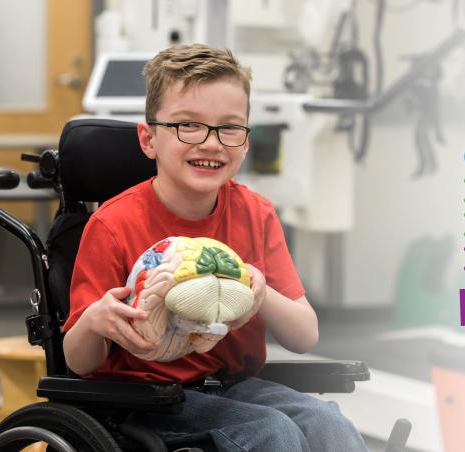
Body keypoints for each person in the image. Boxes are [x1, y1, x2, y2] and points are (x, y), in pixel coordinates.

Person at [61, 44, 367, 451]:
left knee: (326, 422)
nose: (211, 142)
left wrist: (261, 292)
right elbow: (77, 362)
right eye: (188, 125)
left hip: (234, 388)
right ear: (149, 139)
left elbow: (305, 335)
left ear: (244, 141)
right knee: (272, 432)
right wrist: (97, 321)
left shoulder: (255, 214)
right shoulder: (112, 225)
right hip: (144, 401)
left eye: (230, 127)